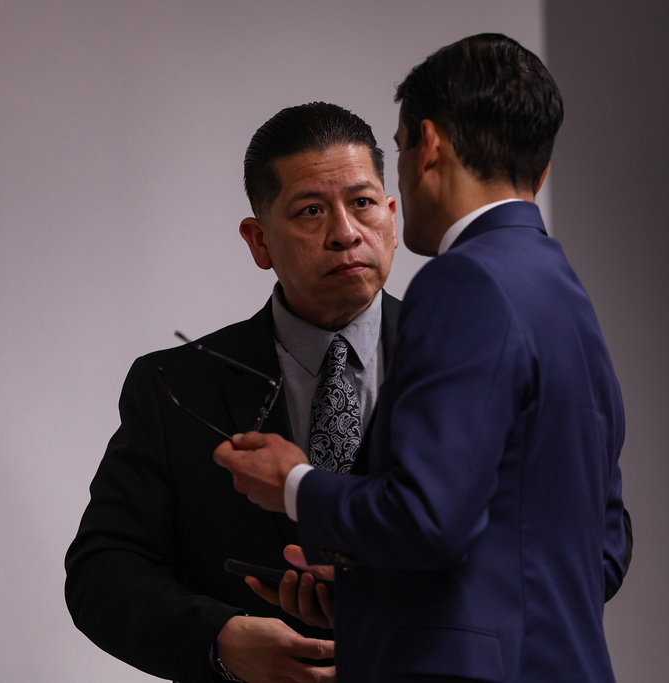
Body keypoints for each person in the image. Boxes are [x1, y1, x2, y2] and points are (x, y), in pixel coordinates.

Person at [214, 33, 631, 682]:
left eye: (400, 148)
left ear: (427, 145)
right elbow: (602, 545)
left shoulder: (463, 281)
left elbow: (430, 518)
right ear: (540, 169)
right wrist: (374, 587)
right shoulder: (566, 292)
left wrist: (295, 484)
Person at [65, 102, 400, 683]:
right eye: (312, 211)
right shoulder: (173, 386)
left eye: (363, 203)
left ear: (391, 216)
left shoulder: (476, 360)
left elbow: (588, 548)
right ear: (259, 240)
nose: (346, 233)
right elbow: (104, 571)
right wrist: (220, 640)